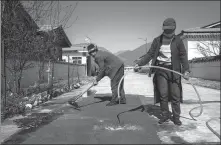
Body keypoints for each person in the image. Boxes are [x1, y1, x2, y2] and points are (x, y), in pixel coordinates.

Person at [134, 18, 190, 126]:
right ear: (163, 29)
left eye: (171, 31)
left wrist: (186, 70)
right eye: (166, 30)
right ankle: (165, 115)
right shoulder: (157, 40)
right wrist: (140, 63)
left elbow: (183, 55)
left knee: (175, 95)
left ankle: (176, 117)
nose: (168, 33)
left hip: (174, 70)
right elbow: (150, 54)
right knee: (163, 94)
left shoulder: (178, 40)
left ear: (174, 29)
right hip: (161, 70)